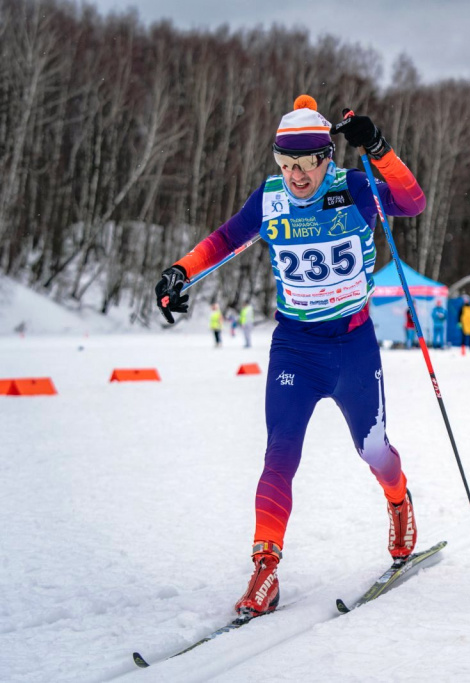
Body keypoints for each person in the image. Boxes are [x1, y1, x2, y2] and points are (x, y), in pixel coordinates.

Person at [154, 95, 427, 617]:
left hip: (352, 344)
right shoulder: (272, 197)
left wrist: (379, 148)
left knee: (374, 452)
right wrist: (181, 270)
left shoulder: (355, 188)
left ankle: (398, 499)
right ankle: (265, 569)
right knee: (279, 455)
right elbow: (225, 240)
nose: (296, 176)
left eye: (305, 164)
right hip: (296, 347)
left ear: (327, 158)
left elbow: (411, 202)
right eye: (285, 165)